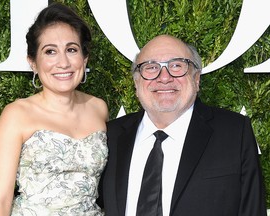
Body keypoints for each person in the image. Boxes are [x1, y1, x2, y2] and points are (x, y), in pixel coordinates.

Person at [98, 34, 267, 216]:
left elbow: (252, 209)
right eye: (151, 67)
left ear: (196, 79)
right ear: (136, 83)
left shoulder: (234, 132)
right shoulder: (110, 135)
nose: (164, 77)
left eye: (176, 66)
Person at [0, 3, 108, 215]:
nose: (63, 63)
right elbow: (0, 200)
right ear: (33, 62)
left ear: (84, 58)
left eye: (71, 50)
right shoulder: (17, 115)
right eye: (50, 51)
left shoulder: (98, 108)